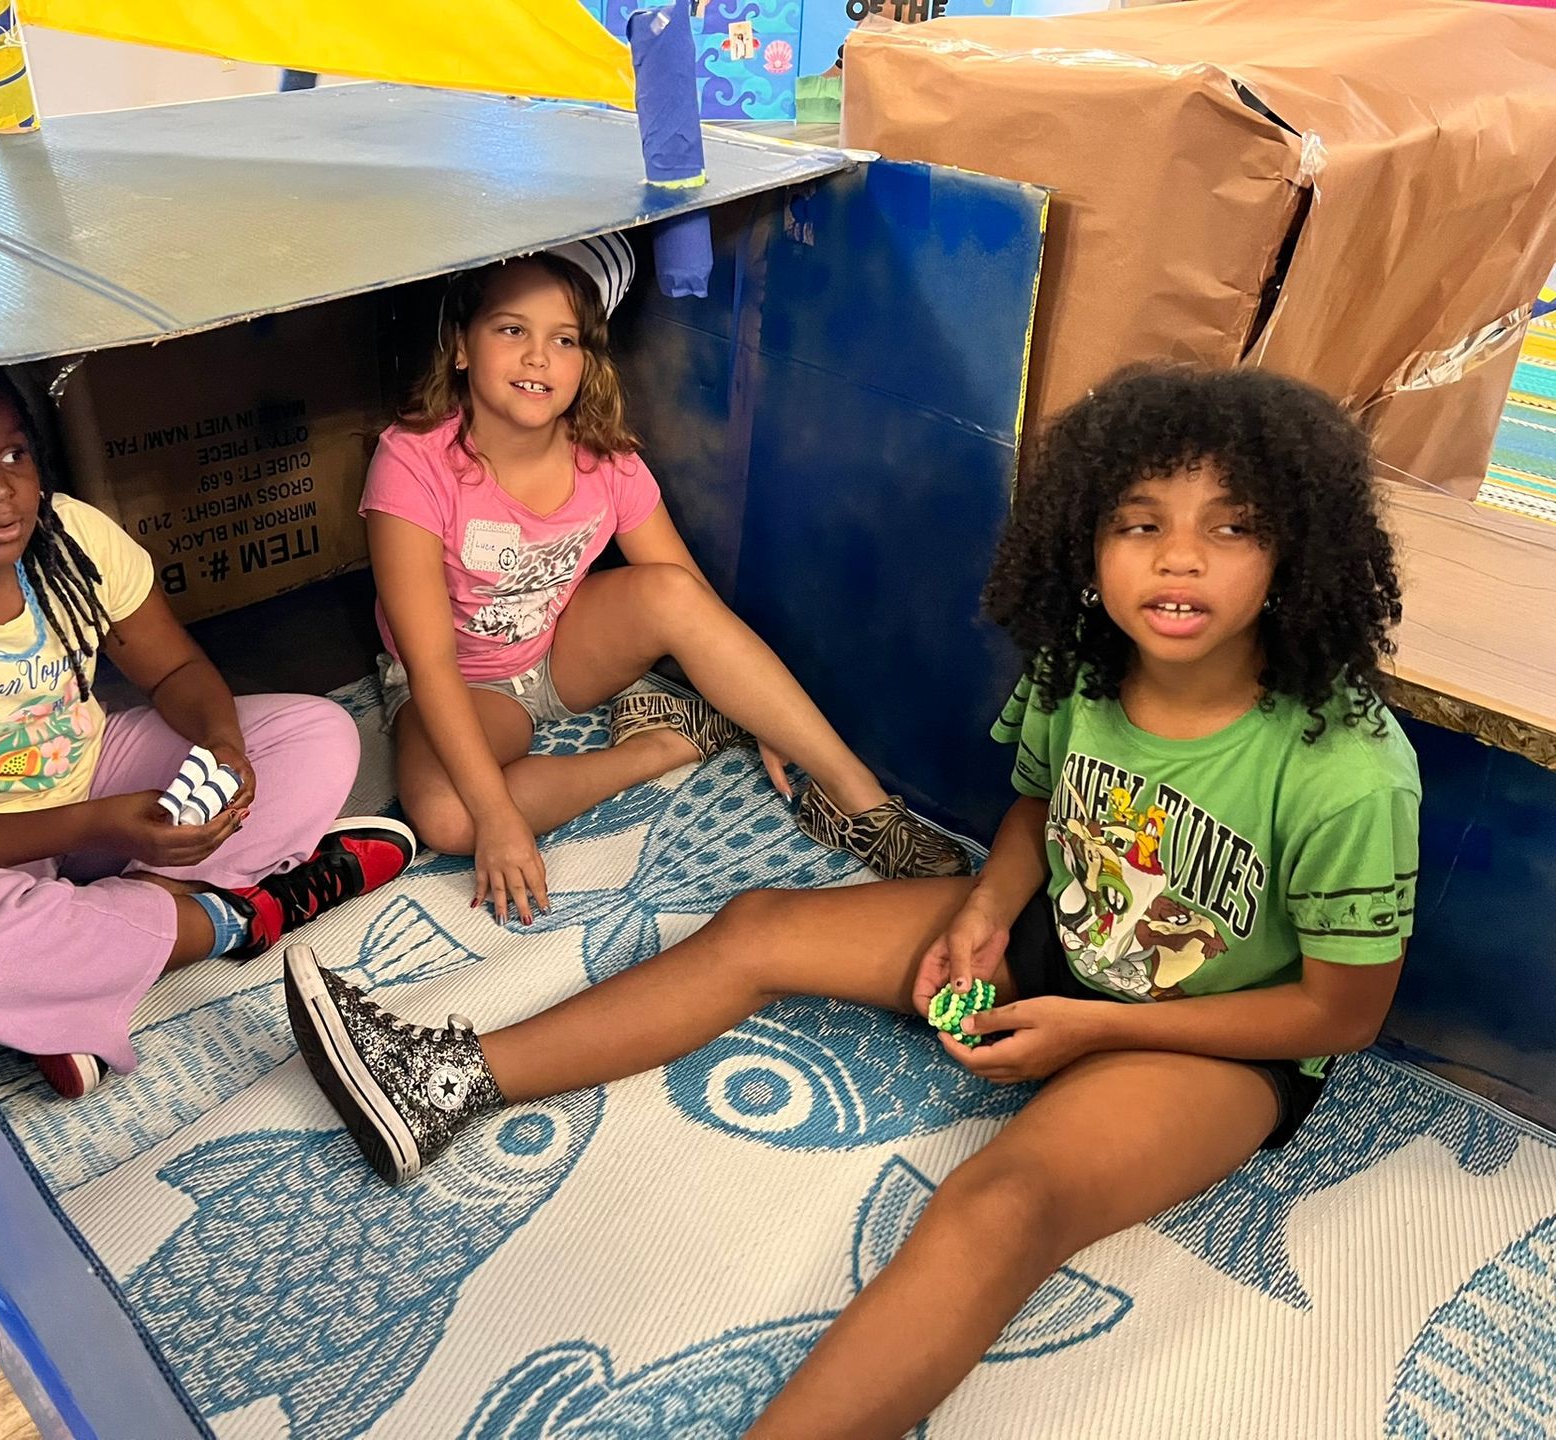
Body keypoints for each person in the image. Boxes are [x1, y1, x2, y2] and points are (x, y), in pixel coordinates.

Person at [287, 365, 1419, 1436]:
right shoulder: (1081, 671)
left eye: (1230, 528)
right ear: (1089, 541)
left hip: (1208, 1040)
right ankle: (447, 1078)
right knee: (757, 928)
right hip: (1057, 939)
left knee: (1001, 1208)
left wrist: (1098, 1027)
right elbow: (1038, 811)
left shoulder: (1348, 767)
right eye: (1141, 524)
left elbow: (1339, 1018)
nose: (1180, 562)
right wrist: (981, 918)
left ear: (1293, 551)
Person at [0, 370, 413, 1098]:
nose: (1, 489)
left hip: (96, 773)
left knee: (316, 734)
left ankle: (97, 955)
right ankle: (234, 917)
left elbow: (176, 666)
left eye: (15, 455)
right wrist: (102, 826)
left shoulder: (71, 535)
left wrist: (224, 745)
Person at [366, 234, 966, 925]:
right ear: (462, 344)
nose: (538, 358)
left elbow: (688, 599)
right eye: (511, 330)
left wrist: (755, 704)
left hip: (560, 653)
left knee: (670, 591)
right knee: (448, 816)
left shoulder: (605, 460)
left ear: (588, 360)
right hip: (463, 681)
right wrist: (499, 819)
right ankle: (660, 747)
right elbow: (432, 660)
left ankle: (858, 800)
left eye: (566, 341)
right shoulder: (411, 462)